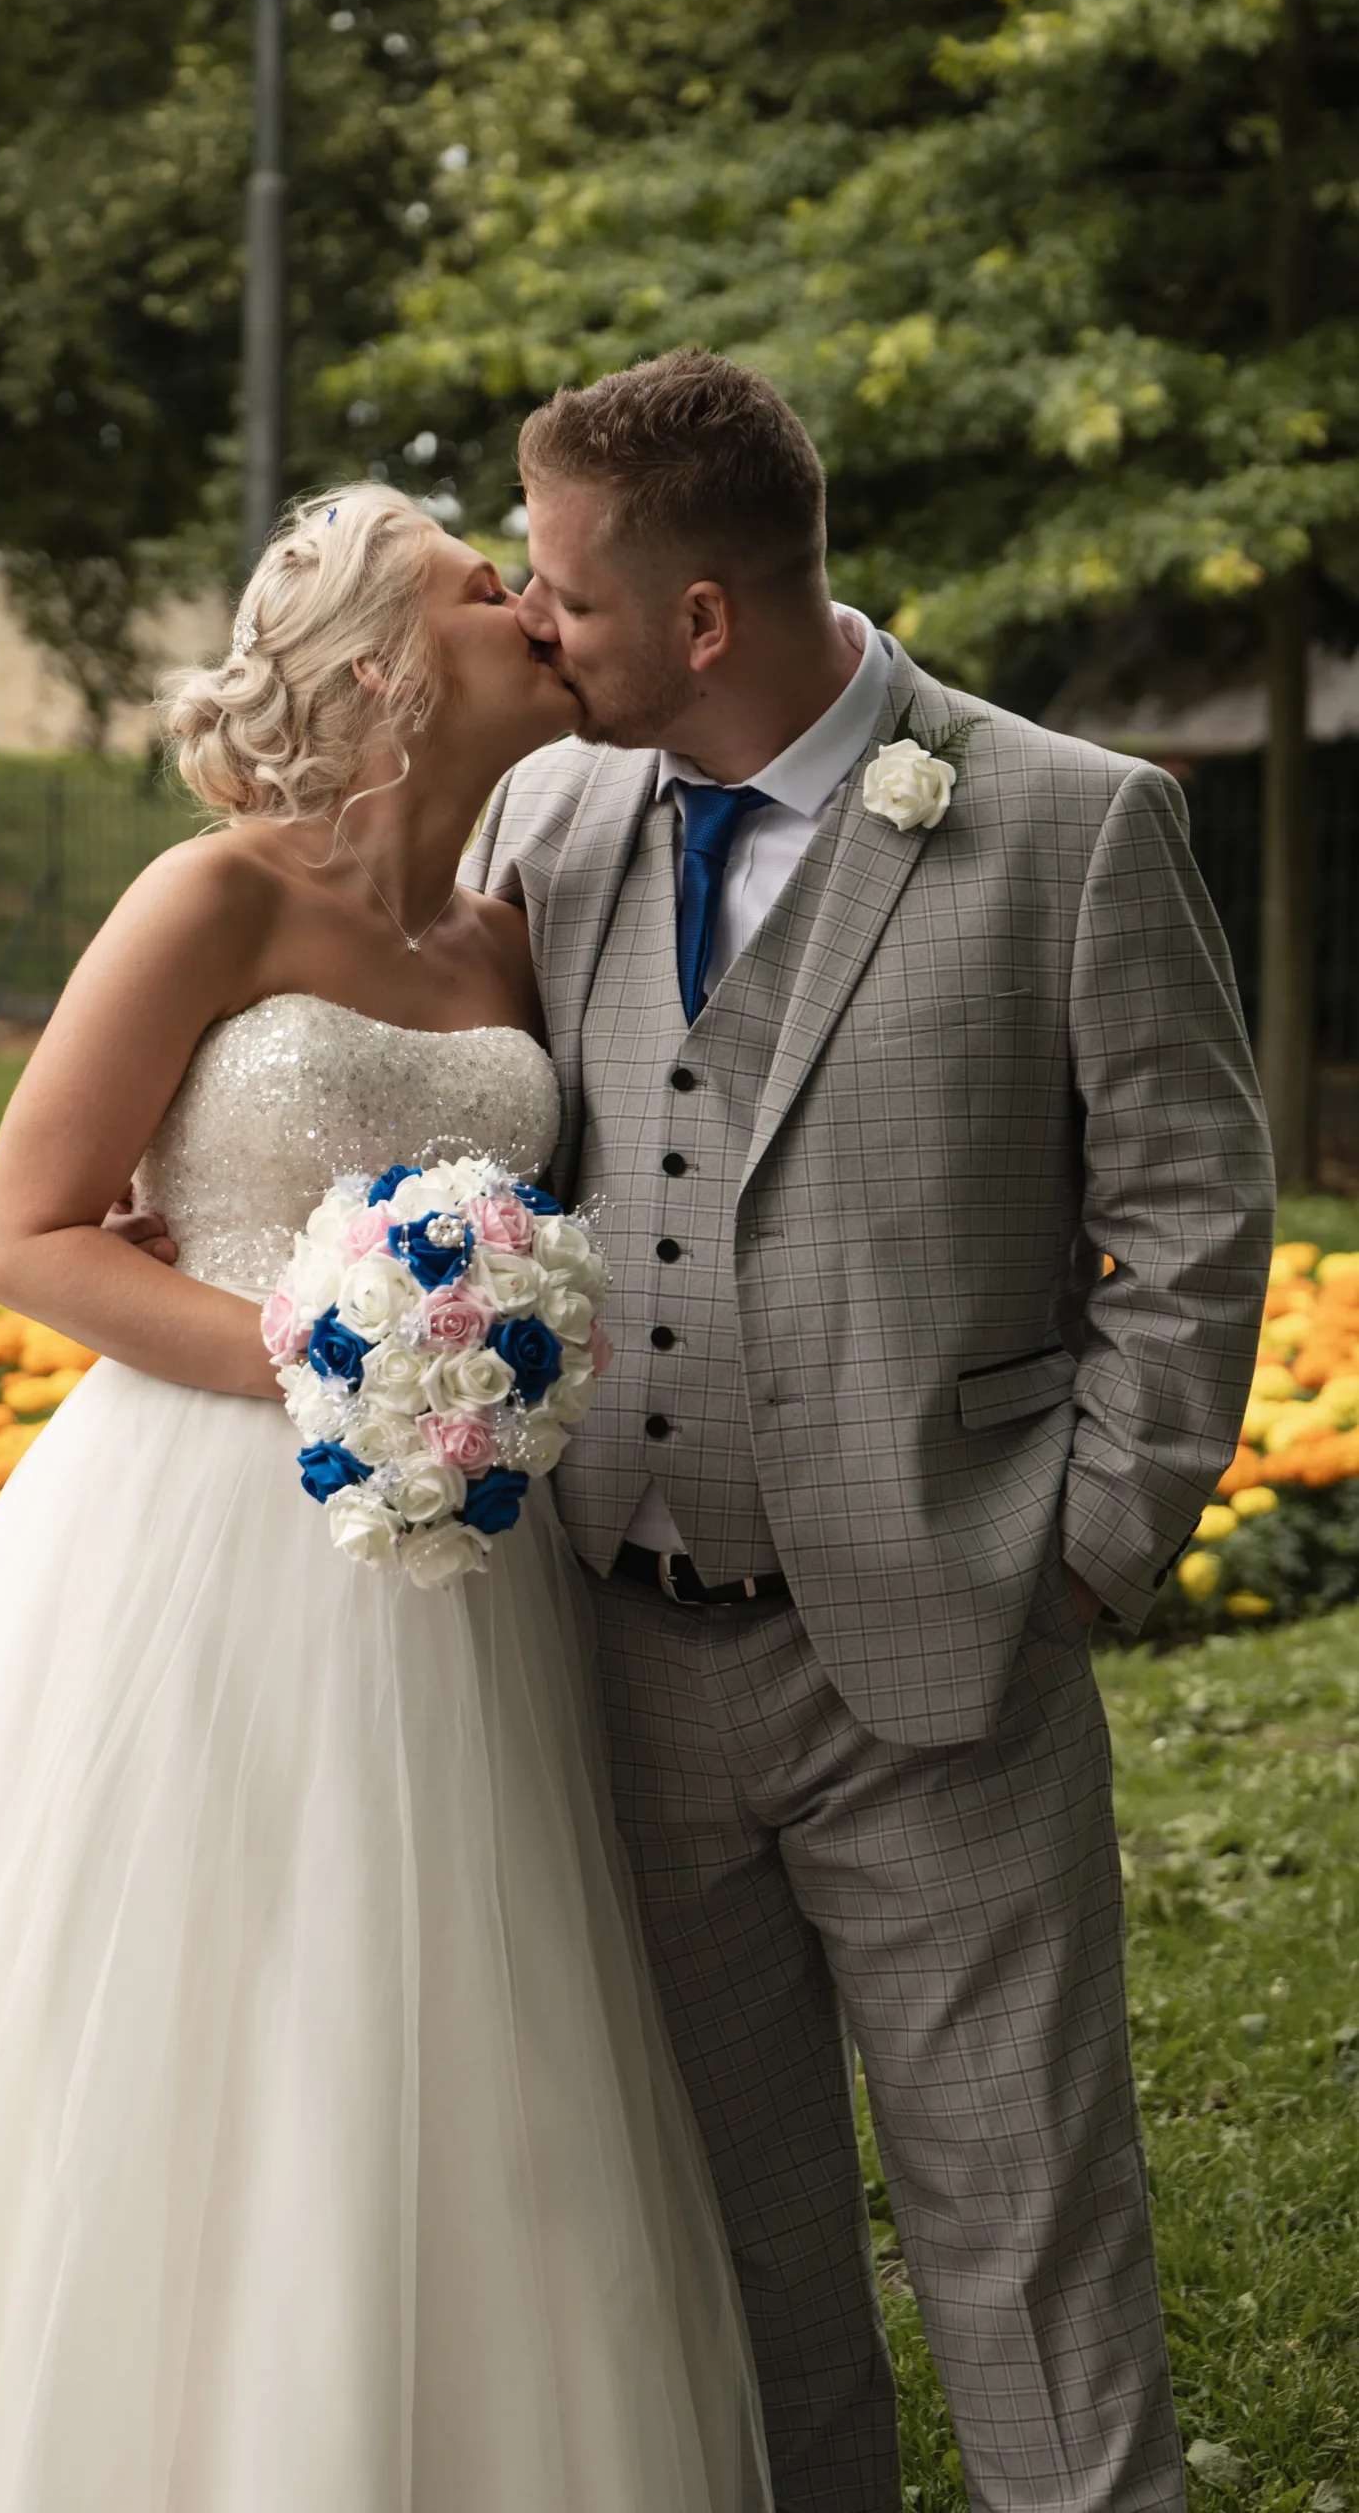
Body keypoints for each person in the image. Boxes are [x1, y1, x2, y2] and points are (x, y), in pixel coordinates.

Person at [122, 352, 1275, 2513]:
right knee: (733, 2259)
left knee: (1020, 2236)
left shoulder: (1065, 816)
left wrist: (1090, 1540)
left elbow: (1196, 1217)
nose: (539, 624)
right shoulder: (549, 828)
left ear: (707, 616)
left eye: (558, 586)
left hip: (939, 1652)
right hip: (614, 1658)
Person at [0, 484, 772, 2513]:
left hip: (464, 1570)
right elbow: (29, 1232)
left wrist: (460, 1379)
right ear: (375, 666)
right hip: (201, 1530)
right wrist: (323, 1355)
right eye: (472, 581)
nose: (524, 602)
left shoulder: (514, 931)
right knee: (167, 2000)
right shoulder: (213, 898)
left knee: (454, 2019)